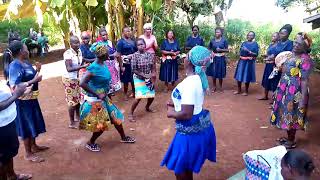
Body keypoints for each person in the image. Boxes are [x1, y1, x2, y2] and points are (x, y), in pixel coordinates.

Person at [161, 46, 216, 180]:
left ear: (189, 61)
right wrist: (177, 102)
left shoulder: (190, 84)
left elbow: (186, 114)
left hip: (189, 133)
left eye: (186, 55)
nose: (184, 58)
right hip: (198, 128)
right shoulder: (198, 78)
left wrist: (170, 112)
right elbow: (192, 102)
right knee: (186, 167)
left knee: (180, 171)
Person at [79, 45, 136, 152]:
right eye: (107, 54)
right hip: (96, 101)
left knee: (116, 118)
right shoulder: (93, 68)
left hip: (104, 98)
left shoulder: (103, 63)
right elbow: (82, 83)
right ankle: (90, 142)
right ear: (102, 56)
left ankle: (123, 137)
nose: (109, 55)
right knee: (101, 125)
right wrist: (97, 94)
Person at [270, 33, 314, 149]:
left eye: (299, 44)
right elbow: (284, 72)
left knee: (292, 114)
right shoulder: (290, 55)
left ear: (305, 48)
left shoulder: (305, 60)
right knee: (284, 112)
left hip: (296, 92)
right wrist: (277, 90)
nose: (295, 45)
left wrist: (302, 100)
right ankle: (289, 137)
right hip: (284, 89)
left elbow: (304, 81)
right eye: (295, 42)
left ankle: (291, 140)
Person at [8, 41, 48, 163]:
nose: (28, 50)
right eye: (26, 48)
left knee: (34, 123)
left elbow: (30, 78)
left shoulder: (24, 62)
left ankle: (34, 146)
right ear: (21, 51)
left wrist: (37, 70)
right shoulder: (15, 66)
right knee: (26, 125)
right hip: (23, 103)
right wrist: (34, 80)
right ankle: (28, 153)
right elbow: (14, 87)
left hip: (32, 99)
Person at [0, 81, 33, 180]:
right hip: (1, 127)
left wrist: (17, 91)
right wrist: (17, 94)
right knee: (1, 157)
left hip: (8, 121)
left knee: (9, 152)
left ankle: (12, 176)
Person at [62, 36, 88, 129]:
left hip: (76, 78)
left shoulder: (79, 51)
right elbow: (69, 69)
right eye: (75, 43)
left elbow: (83, 61)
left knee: (77, 98)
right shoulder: (68, 53)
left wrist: (93, 61)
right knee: (71, 101)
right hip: (69, 79)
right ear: (70, 44)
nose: (77, 44)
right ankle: (72, 122)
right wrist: (82, 67)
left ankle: (78, 117)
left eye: (78, 42)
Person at [128, 38, 157, 122]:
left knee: (151, 95)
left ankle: (147, 107)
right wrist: (143, 75)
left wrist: (153, 74)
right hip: (139, 78)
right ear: (137, 46)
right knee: (138, 98)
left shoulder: (149, 54)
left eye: (142, 44)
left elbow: (153, 66)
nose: (141, 46)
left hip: (148, 77)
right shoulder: (135, 56)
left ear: (145, 45)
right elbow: (133, 69)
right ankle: (130, 113)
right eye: (139, 45)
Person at [91, 27, 121, 97]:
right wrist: (112, 55)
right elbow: (99, 55)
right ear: (100, 36)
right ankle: (108, 91)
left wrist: (115, 55)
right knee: (106, 77)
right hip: (105, 63)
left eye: (106, 34)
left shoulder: (110, 42)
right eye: (103, 35)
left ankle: (111, 90)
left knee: (112, 76)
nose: (105, 36)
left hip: (112, 63)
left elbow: (114, 50)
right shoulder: (99, 45)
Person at [234, 31, 259, 96]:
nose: (249, 36)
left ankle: (246, 91)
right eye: (248, 35)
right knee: (239, 74)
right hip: (241, 61)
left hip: (249, 62)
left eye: (251, 35)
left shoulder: (255, 44)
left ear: (253, 37)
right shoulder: (244, 43)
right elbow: (240, 51)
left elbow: (256, 54)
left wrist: (248, 51)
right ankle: (239, 90)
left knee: (246, 75)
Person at [116, 27, 137, 100]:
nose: (129, 32)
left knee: (133, 78)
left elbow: (136, 51)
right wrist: (121, 66)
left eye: (129, 31)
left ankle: (134, 92)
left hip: (133, 63)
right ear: (123, 33)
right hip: (125, 63)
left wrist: (133, 56)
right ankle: (125, 93)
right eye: (127, 31)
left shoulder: (133, 41)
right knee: (125, 80)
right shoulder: (120, 42)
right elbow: (118, 55)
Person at [206, 27, 229, 92]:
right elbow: (209, 48)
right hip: (214, 58)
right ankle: (214, 87)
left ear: (221, 33)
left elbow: (227, 50)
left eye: (218, 32)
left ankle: (220, 87)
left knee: (220, 72)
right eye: (216, 32)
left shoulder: (224, 40)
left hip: (221, 58)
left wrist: (221, 50)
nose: (217, 33)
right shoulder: (212, 40)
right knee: (213, 72)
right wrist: (211, 53)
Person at [259, 32, 280, 100]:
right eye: (272, 36)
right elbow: (269, 54)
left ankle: (274, 99)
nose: (272, 37)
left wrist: (271, 58)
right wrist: (265, 56)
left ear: (278, 37)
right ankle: (265, 96)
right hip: (268, 65)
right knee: (266, 79)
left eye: (274, 36)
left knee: (274, 80)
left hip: (274, 65)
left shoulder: (279, 46)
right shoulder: (271, 45)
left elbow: (278, 56)